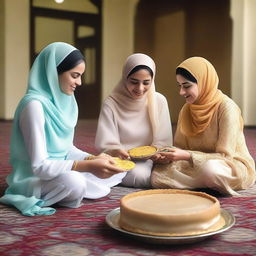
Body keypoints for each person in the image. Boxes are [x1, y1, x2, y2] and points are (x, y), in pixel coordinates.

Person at [0, 42, 127, 216]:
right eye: (75, 75)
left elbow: (65, 149)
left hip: (58, 170)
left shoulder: (66, 102)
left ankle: (78, 182)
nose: (79, 83)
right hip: (33, 177)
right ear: (54, 72)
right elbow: (39, 166)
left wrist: (93, 158)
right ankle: (58, 190)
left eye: (80, 76)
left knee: (116, 170)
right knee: (75, 183)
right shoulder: (33, 106)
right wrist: (88, 166)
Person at [151, 56, 256, 195]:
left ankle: (204, 181)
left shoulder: (226, 108)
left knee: (211, 170)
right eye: (180, 86)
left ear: (204, 82)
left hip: (228, 164)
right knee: (157, 174)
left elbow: (225, 156)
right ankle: (207, 184)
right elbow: (180, 148)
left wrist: (188, 156)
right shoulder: (187, 109)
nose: (181, 92)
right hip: (194, 163)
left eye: (187, 86)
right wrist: (166, 155)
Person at [95, 53, 172, 188]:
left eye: (146, 83)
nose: (140, 88)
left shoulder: (159, 101)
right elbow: (106, 143)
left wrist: (157, 153)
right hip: (120, 159)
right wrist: (116, 150)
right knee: (138, 176)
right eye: (134, 82)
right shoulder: (111, 103)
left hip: (151, 159)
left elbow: (163, 141)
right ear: (125, 78)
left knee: (148, 175)